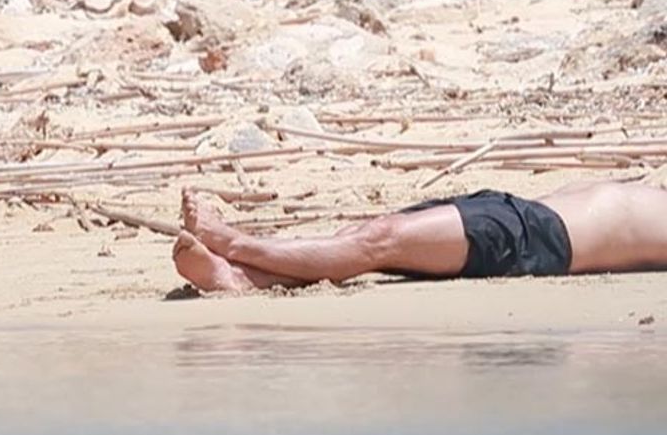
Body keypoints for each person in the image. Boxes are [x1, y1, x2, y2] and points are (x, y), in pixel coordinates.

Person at [172, 181, 667, 293]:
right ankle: (241, 279)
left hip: (537, 238)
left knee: (379, 241)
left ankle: (233, 243)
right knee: (363, 238)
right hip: (520, 212)